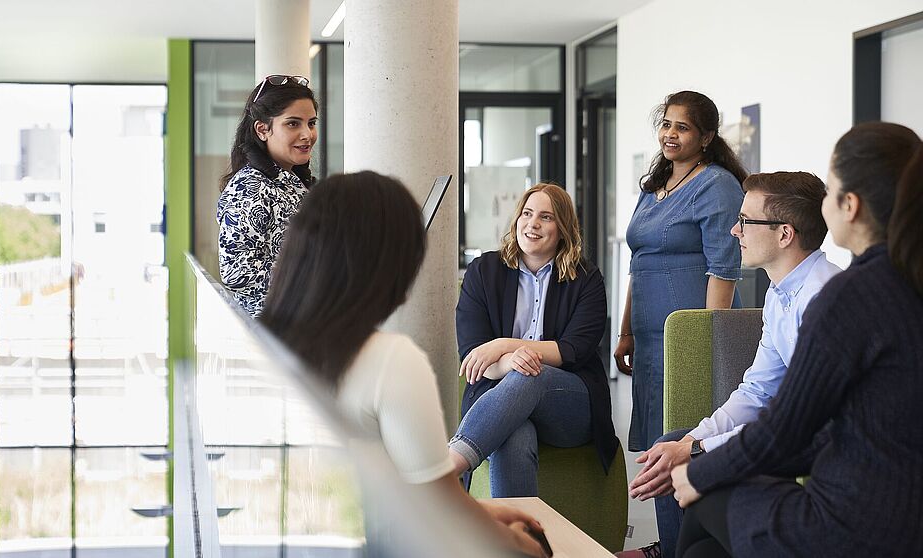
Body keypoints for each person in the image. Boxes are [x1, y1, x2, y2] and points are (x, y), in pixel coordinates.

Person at [260, 171, 549, 558]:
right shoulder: (390, 360)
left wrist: (482, 509)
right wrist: (524, 546)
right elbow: (436, 507)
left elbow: (421, 496)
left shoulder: (266, 346)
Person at [671, 122, 923, 557]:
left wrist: (699, 467)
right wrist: (701, 449)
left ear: (851, 205)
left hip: (855, 520)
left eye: (830, 193)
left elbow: (786, 430)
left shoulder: (847, 295)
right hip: (890, 503)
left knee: (701, 495)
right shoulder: (903, 281)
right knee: (701, 551)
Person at [616, 172, 841, 558]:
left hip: (817, 446)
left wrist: (700, 452)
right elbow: (757, 389)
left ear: (785, 234)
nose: (734, 231)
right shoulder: (781, 292)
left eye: (744, 221)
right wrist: (692, 442)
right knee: (672, 449)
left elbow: (798, 420)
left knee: (693, 480)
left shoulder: (824, 297)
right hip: (786, 432)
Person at [448, 183, 619, 497]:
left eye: (546, 217)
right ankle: (520, 542)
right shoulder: (484, 271)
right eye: (526, 214)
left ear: (563, 228)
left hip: (569, 403)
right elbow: (473, 355)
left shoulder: (586, 279)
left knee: (530, 376)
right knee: (515, 435)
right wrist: (510, 362)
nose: (533, 224)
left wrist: (504, 346)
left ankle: (451, 465)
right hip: (499, 394)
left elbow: (574, 349)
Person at [615, 91, 749, 453]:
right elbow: (638, 263)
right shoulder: (654, 188)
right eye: (666, 124)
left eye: (683, 128)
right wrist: (626, 331)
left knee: (685, 443)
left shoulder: (716, 184)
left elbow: (723, 268)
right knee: (658, 446)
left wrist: (705, 343)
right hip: (649, 338)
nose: (670, 134)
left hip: (689, 336)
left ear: (706, 138)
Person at [217, 74, 318, 317]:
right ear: (262, 129)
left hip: (303, 328)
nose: (308, 134)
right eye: (293, 123)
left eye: (312, 123)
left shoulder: (292, 181)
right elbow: (237, 271)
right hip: (272, 335)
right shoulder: (249, 187)